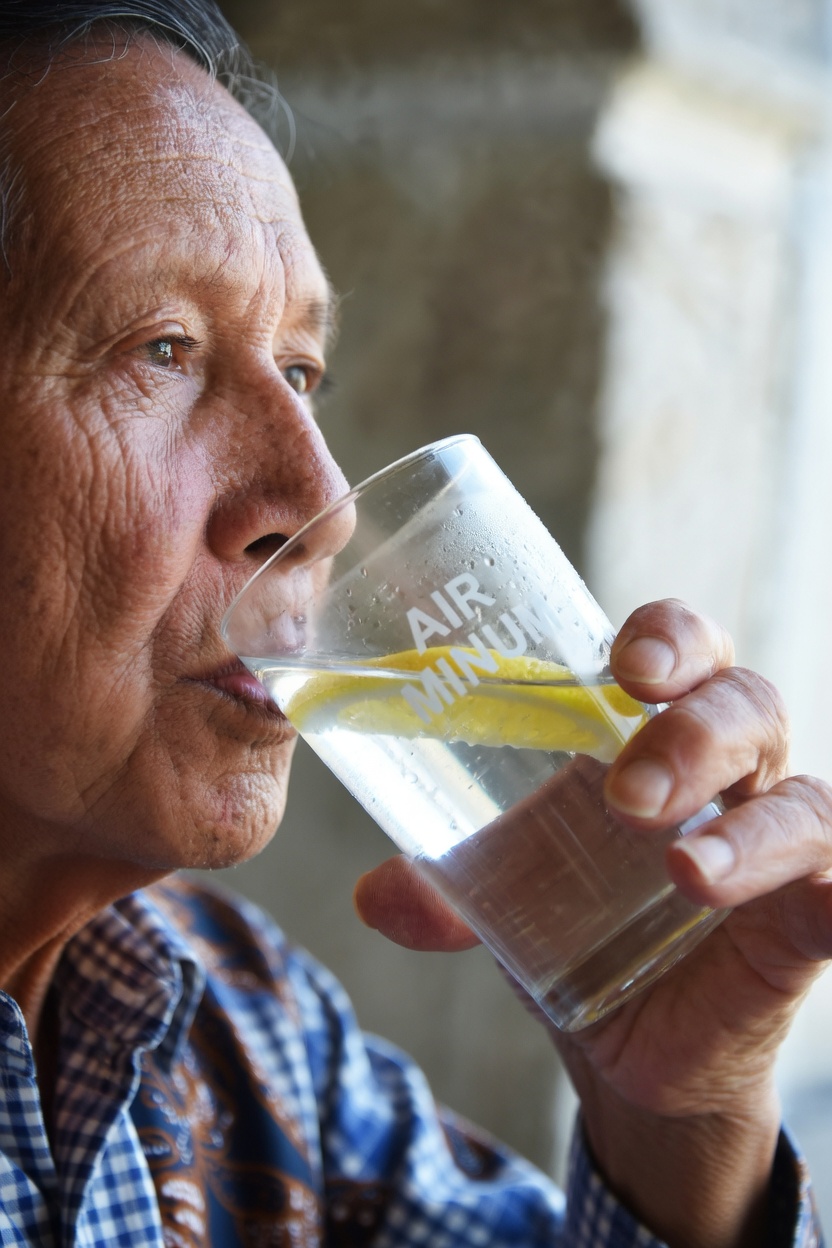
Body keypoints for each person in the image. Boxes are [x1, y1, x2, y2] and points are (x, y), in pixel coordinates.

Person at [0, 2, 829, 1245]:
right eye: (159, 350)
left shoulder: (254, 1036)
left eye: (297, 371)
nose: (318, 507)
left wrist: (683, 1123)